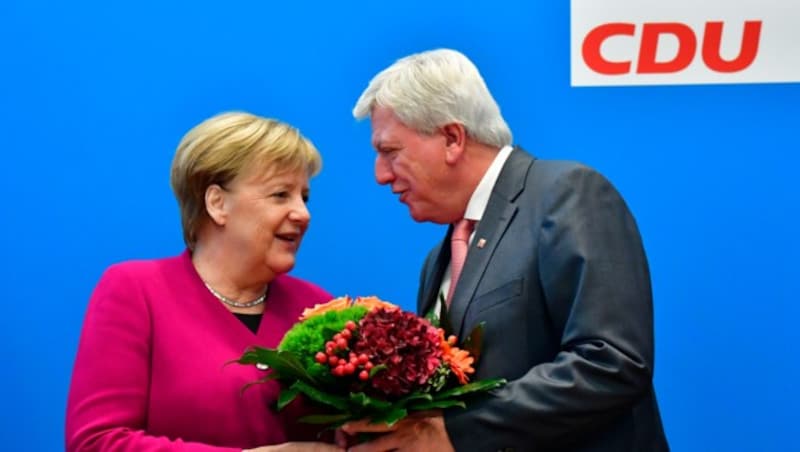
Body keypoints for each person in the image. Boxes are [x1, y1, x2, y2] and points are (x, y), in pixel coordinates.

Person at [340, 49, 669, 451]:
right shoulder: (437, 261)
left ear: (451, 138)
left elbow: (611, 363)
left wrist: (455, 432)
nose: (380, 174)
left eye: (390, 151)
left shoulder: (567, 195)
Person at [66, 112, 343, 452]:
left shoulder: (318, 308)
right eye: (280, 195)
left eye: (305, 197)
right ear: (217, 203)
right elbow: (97, 442)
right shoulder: (136, 291)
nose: (303, 213)